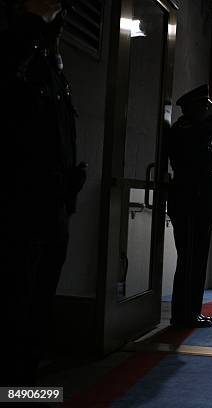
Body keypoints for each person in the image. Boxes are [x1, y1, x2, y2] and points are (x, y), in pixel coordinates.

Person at [0, 0, 86, 385]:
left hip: (54, 202)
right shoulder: (16, 56)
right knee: (16, 304)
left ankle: (24, 387)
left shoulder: (52, 69)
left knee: (38, 305)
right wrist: (31, 24)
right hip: (22, 202)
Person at [167, 84, 212, 328]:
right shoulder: (186, 129)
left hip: (198, 204)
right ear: (194, 108)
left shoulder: (196, 130)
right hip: (190, 203)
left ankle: (191, 312)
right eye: (204, 106)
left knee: (196, 261)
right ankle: (184, 314)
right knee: (190, 261)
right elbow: (195, 153)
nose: (207, 110)